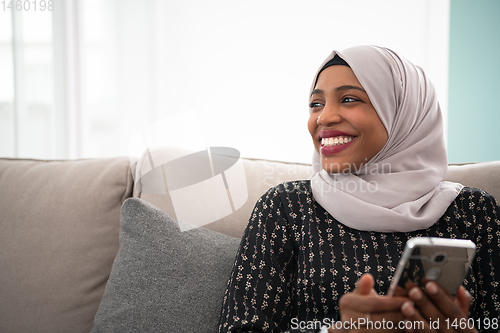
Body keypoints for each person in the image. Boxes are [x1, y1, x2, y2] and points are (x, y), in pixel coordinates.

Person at [217, 45, 500, 332]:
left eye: (349, 99)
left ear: (402, 110)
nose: (324, 118)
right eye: (316, 104)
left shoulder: (473, 211)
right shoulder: (287, 206)